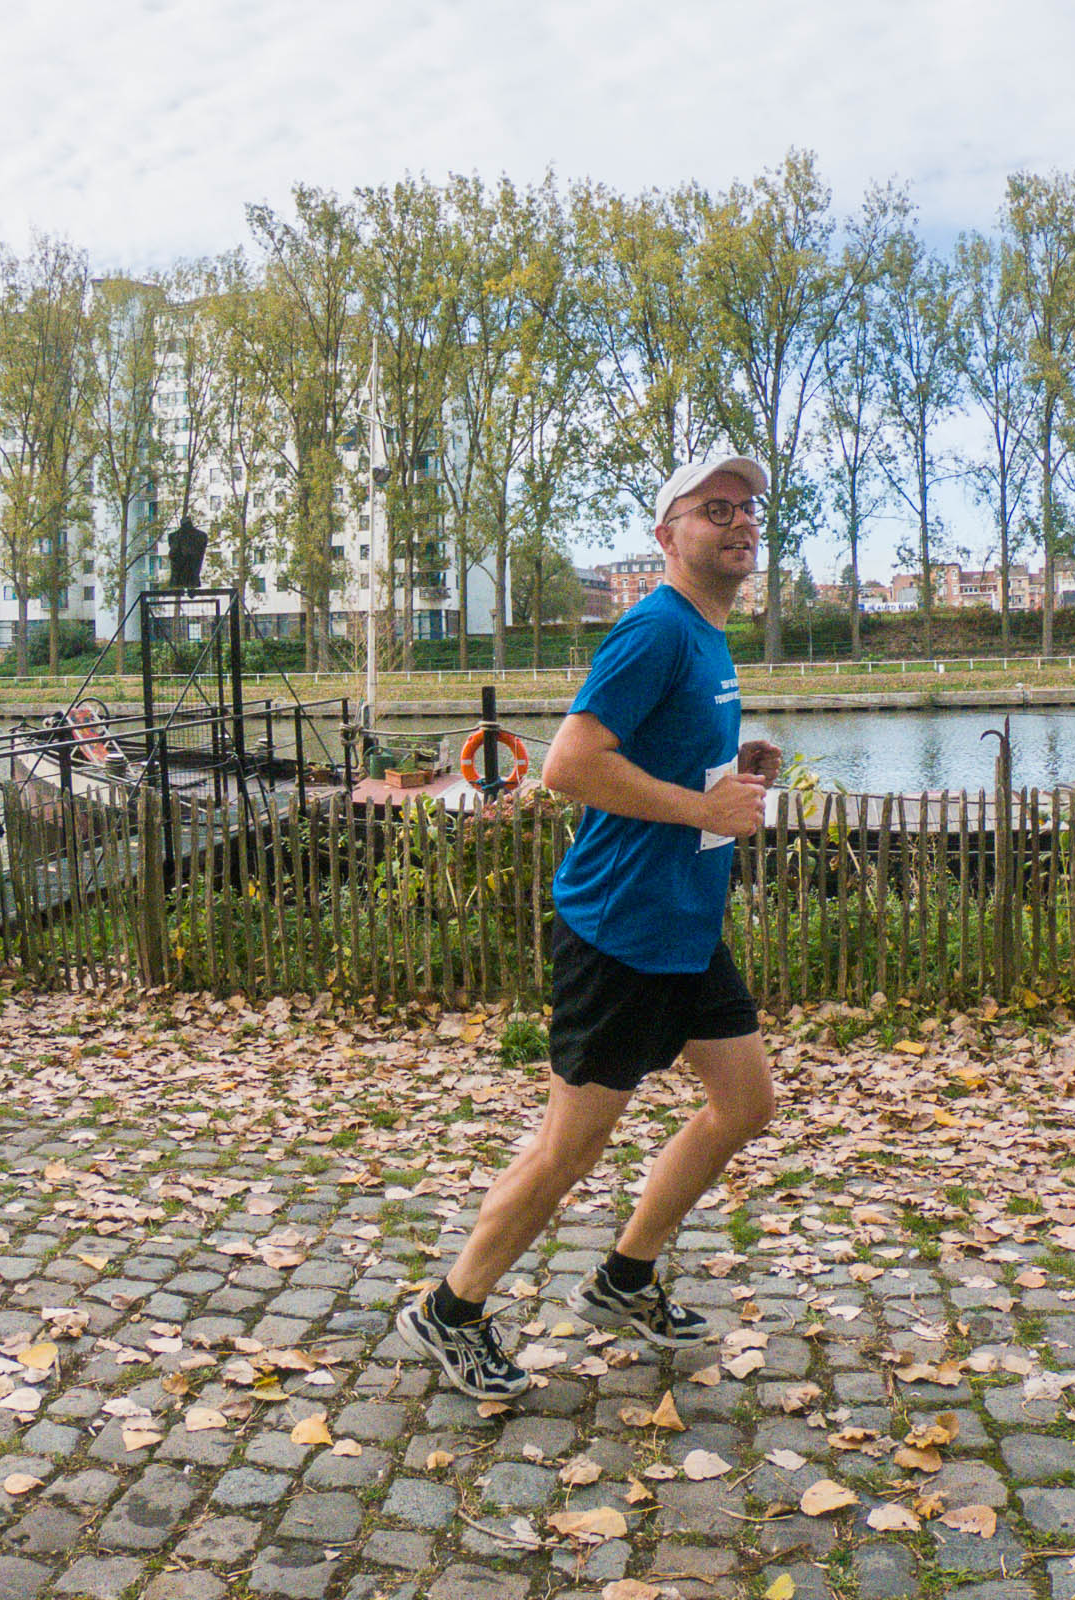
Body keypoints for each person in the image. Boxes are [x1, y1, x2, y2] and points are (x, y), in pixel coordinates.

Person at [398, 454, 783, 1399]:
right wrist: (705, 813)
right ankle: (450, 1309)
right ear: (668, 535)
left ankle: (625, 1278)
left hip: (682, 923)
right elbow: (570, 765)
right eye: (712, 510)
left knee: (745, 1106)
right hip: (618, 929)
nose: (736, 523)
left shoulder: (707, 632)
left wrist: (728, 762)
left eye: (745, 510)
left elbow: (649, 749)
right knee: (570, 1147)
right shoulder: (654, 628)